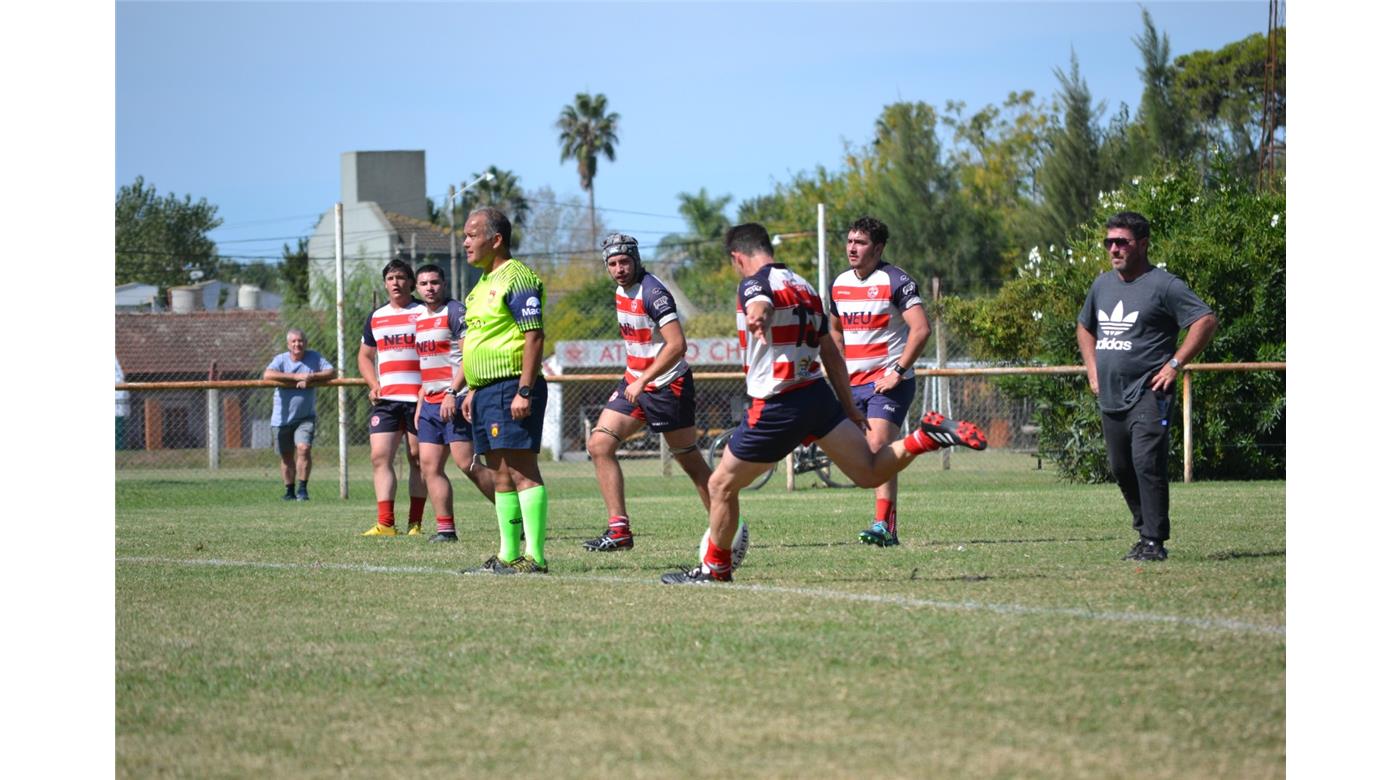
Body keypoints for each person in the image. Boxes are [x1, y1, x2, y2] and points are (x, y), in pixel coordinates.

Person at [661, 223, 988, 585]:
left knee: (720, 485)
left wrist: (759, 314)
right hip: (816, 395)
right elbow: (830, 350)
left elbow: (760, 299)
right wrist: (847, 406)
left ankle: (715, 569)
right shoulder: (804, 285)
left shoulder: (755, 282)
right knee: (869, 472)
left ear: (738, 257)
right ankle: (925, 437)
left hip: (777, 403)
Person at [1076, 211, 1218, 562]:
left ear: (1142, 244)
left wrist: (1175, 364)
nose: (1113, 249)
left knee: (1146, 462)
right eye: (1109, 242)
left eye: (1121, 242)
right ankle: (1144, 531)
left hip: (1149, 393)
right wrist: (1092, 369)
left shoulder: (1164, 285)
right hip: (1110, 394)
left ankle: (1154, 540)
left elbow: (1205, 319)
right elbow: (1084, 327)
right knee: (1121, 467)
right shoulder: (1102, 285)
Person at [583, 233, 713, 552]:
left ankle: (727, 523)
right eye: (612, 264)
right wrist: (636, 380)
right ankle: (619, 532)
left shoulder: (653, 292)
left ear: (636, 260)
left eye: (624, 261)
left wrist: (643, 380)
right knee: (599, 445)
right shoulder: (619, 291)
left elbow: (677, 345)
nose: (619, 268)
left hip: (668, 385)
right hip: (635, 383)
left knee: (689, 461)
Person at [828, 216, 931, 547]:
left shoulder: (896, 280)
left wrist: (897, 371)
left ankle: (883, 524)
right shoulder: (840, 283)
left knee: (875, 450)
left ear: (879, 247)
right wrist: (840, 365)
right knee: (863, 459)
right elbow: (834, 328)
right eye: (849, 241)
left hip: (889, 385)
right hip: (853, 385)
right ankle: (888, 526)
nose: (852, 248)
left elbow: (921, 329)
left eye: (860, 242)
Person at [458, 207, 551, 574]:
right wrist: (472, 389)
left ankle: (536, 557)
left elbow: (534, 336)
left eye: (471, 234)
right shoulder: (480, 285)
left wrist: (524, 391)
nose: (465, 241)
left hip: (511, 385)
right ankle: (508, 555)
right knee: (498, 472)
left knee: (522, 470)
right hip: (484, 391)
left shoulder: (518, 278)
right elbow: (481, 339)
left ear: (495, 239)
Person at [412, 264, 496, 543]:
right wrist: (422, 400)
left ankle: (514, 516)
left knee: (467, 464)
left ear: (444, 283)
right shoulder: (419, 317)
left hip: (455, 399)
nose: (429, 288)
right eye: (424, 283)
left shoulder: (455, 311)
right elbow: (427, 363)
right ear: (417, 287)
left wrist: (453, 391)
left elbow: (469, 356)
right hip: (431, 403)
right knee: (429, 467)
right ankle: (446, 530)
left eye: (435, 282)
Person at [357, 259, 429, 536]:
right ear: (385, 283)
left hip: (419, 398)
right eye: (391, 278)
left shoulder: (424, 312)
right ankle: (386, 524)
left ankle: (416, 523)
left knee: (417, 458)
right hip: (387, 400)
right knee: (379, 457)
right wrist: (373, 383)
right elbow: (364, 356)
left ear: (411, 282)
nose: (396, 283)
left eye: (401, 277)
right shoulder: (376, 316)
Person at [263, 328, 335, 501]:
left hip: (305, 417)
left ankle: (303, 490)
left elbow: (331, 372)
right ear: (288, 344)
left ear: (305, 343)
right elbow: (267, 375)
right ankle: (289, 491)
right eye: (294, 341)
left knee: (303, 448)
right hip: (281, 419)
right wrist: (296, 377)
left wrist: (310, 377)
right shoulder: (280, 360)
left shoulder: (314, 357)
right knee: (286, 455)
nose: (297, 344)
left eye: (300, 341)